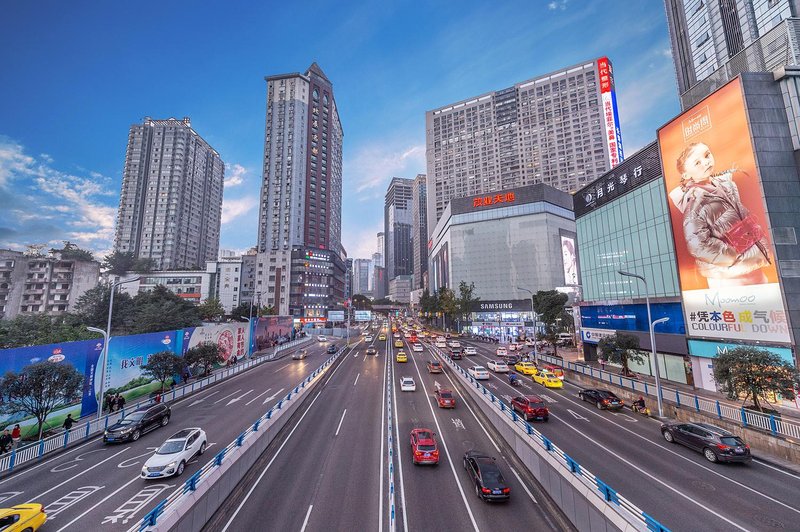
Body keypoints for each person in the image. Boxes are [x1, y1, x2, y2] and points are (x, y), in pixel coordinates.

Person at [668, 142, 771, 288]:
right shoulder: (695, 203)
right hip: (729, 278)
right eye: (697, 163)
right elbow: (698, 245)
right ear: (685, 174)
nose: (706, 162)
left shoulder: (725, 185)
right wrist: (733, 255)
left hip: (751, 265)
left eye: (707, 155)